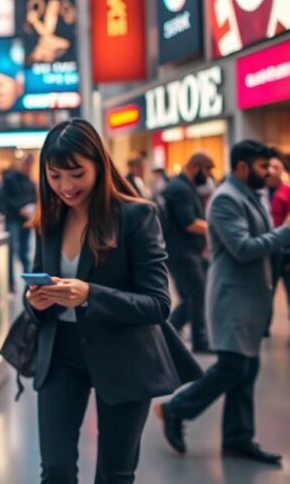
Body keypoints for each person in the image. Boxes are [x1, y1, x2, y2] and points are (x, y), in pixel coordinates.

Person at [24, 119, 200, 484]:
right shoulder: (51, 220)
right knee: (55, 469)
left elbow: (158, 304)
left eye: (76, 174)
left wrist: (91, 294)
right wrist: (35, 303)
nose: (65, 186)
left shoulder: (136, 215)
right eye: (55, 176)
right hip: (61, 353)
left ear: (99, 165)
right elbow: (40, 285)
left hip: (123, 354)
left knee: (115, 474)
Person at [158, 141, 290, 466]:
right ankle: (176, 409)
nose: (268, 172)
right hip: (233, 299)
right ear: (243, 166)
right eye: (262, 166)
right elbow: (243, 248)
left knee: (247, 368)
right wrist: (286, 233)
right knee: (233, 367)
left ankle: (237, 437)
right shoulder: (226, 199)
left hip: (249, 299)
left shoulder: (250, 195)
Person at [162, 152, 214, 353]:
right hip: (182, 252)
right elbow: (189, 223)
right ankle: (198, 340)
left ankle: (168, 332)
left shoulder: (184, 186)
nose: (209, 175)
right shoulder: (180, 188)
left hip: (186, 251)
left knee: (192, 295)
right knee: (198, 293)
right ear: (196, 166)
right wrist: (216, 228)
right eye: (208, 170)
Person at [4, 154, 37, 275]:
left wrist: (32, 209)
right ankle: (10, 280)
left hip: (26, 220)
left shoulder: (30, 181)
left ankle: (27, 277)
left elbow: (33, 197)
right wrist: (19, 209)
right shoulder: (10, 179)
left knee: (25, 251)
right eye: (26, 164)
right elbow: (5, 198)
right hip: (13, 219)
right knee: (12, 250)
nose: (28, 167)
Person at [268, 152, 290, 334]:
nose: (272, 170)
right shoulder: (259, 192)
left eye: (276, 167)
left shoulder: (287, 191)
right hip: (268, 248)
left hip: (286, 248)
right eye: (270, 167)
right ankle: (263, 327)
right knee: (267, 290)